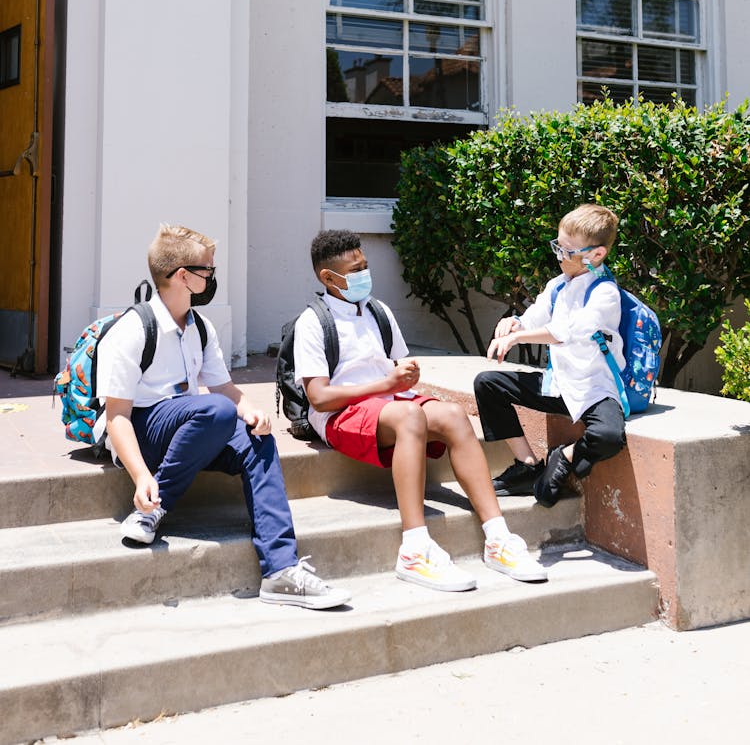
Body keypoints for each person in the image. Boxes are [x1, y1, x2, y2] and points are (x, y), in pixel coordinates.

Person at [97, 223, 350, 610]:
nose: (214, 277)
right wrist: (142, 476)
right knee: (215, 411)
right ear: (183, 276)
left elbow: (223, 389)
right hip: (144, 429)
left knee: (256, 436)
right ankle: (153, 508)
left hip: (194, 427)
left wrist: (250, 409)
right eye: (208, 270)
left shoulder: (200, 328)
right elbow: (116, 416)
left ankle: (280, 570)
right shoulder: (134, 329)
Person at [294, 229, 548, 593]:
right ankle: (414, 549)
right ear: (329, 278)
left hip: (388, 404)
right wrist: (387, 386)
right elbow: (318, 397)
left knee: (453, 415)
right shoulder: (313, 323)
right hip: (341, 413)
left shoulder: (378, 311)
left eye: (365, 265)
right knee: (411, 417)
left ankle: (497, 537)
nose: (365, 274)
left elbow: (398, 366)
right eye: (356, 269)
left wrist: (406, 378)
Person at [474, 203, 627, 508]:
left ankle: (565, 456)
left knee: (609, 436)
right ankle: (528, 465)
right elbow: (533, 319)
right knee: (487, 384)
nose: (559, 256)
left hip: (593, 389)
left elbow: (565, 332)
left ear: (596, 255)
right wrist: (513, 324)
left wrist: (519, 337)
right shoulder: (556, 286)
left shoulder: (604, 293)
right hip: (557, 385)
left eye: (568, 252)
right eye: (558, 246)